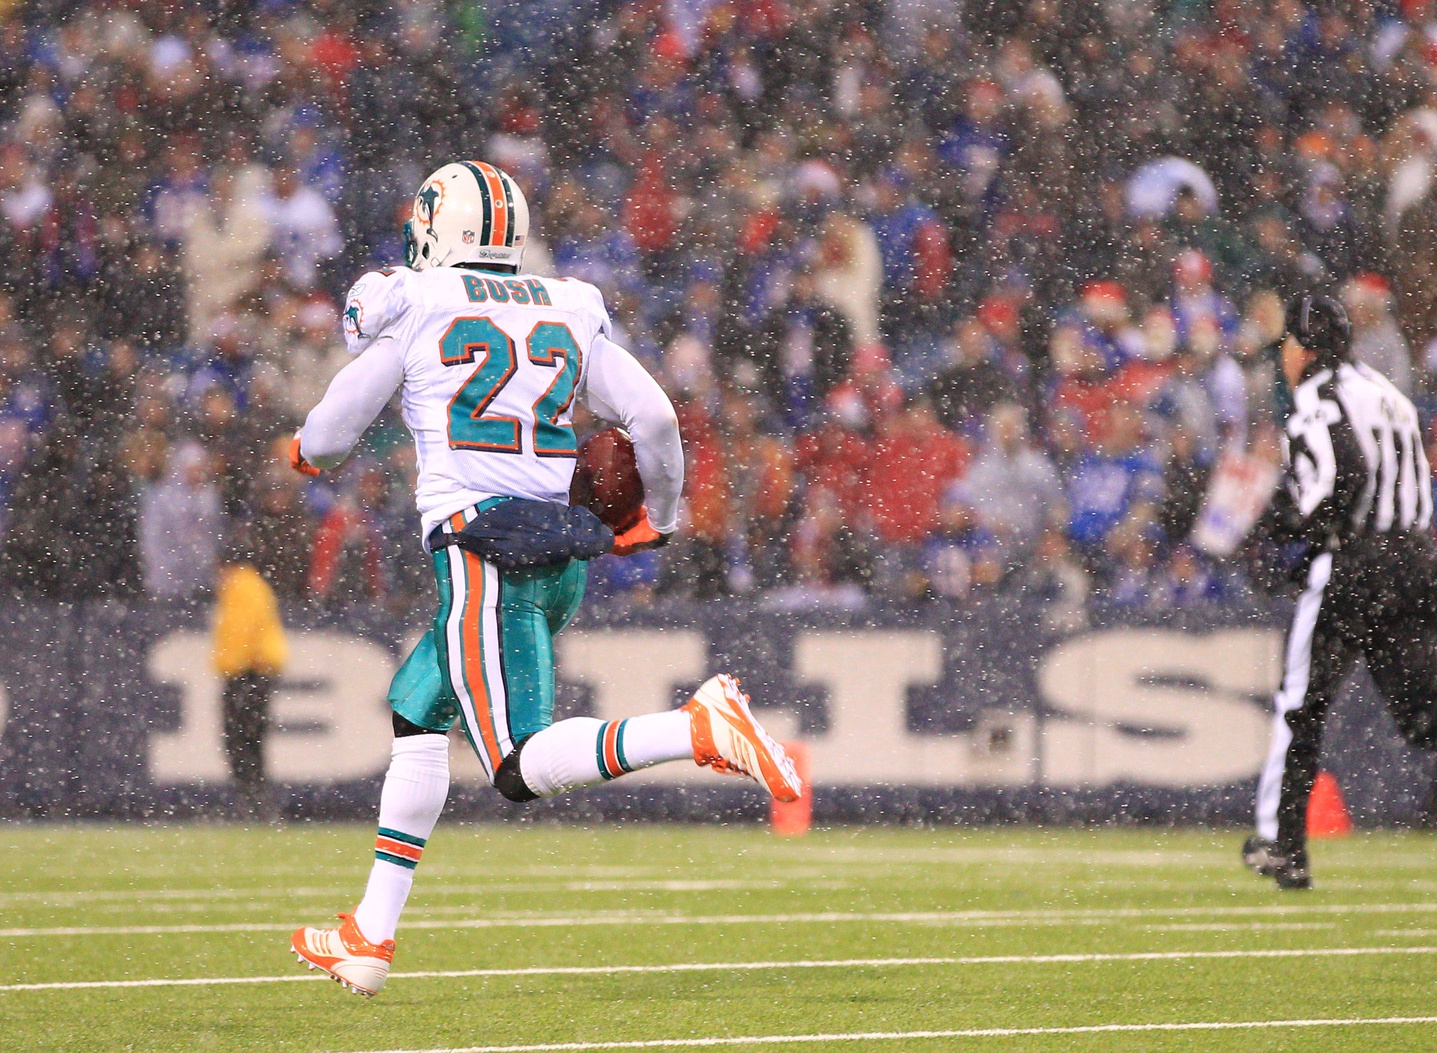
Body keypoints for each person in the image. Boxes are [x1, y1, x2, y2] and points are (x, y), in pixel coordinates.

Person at [288, 162, 801, 996]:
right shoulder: (568, 302)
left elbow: (333, 428)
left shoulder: (415, 299)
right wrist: (659, 516)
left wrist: (306, 451)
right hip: (557, 556)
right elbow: (653, 417)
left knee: (517, 766)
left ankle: (695, 727)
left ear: (436, 226)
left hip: (482, 551)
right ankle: (368, 934)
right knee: (416, 705)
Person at [1243, 294, 1437, 890]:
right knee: (1424, 716)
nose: (1284, 358)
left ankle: (1282, 844)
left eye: (1288, 346)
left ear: (1304, 348)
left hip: (1357, 564)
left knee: (1301, 706)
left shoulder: (1317, 396)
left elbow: (1340, 471)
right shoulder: (1387, 391)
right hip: (1416, 559)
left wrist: (1295, 533)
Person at [211, 531, 288, 821]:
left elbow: (238, 633)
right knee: (252, 741)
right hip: (257, 673)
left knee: (240, 742)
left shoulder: (240, 587)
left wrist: (229, 669)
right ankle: (258, 804)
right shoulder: (253, 584)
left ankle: (252, 803)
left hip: (247, 674)